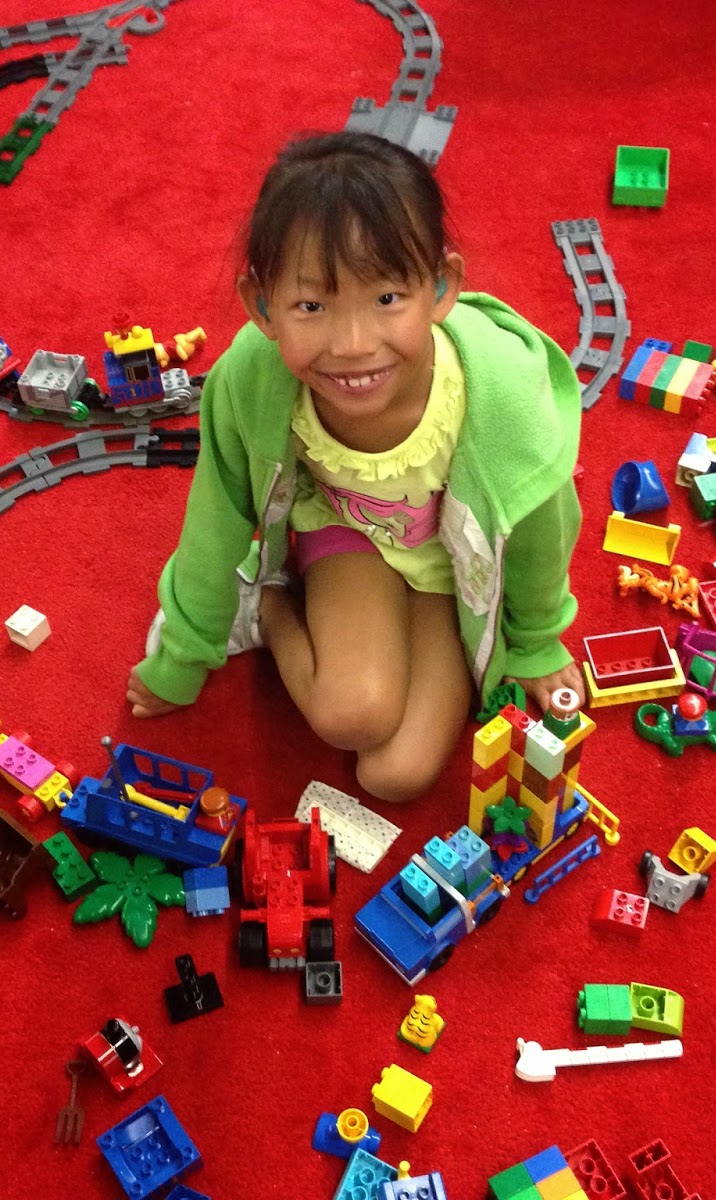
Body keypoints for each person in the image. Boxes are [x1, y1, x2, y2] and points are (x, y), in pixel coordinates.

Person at [128, 131, 586, 803]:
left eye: (387, 299)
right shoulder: (249, 380)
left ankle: (327, 616)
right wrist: (184, 654)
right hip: (346, 537)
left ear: (441, 287)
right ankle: (269, 604)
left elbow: (544, 525)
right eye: (311, 307)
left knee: (395, 775)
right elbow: (216, 517)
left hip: (452, 570)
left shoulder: (503, 395)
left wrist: (538, 640)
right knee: (351, 717)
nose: (351, 345)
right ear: (262, 306)